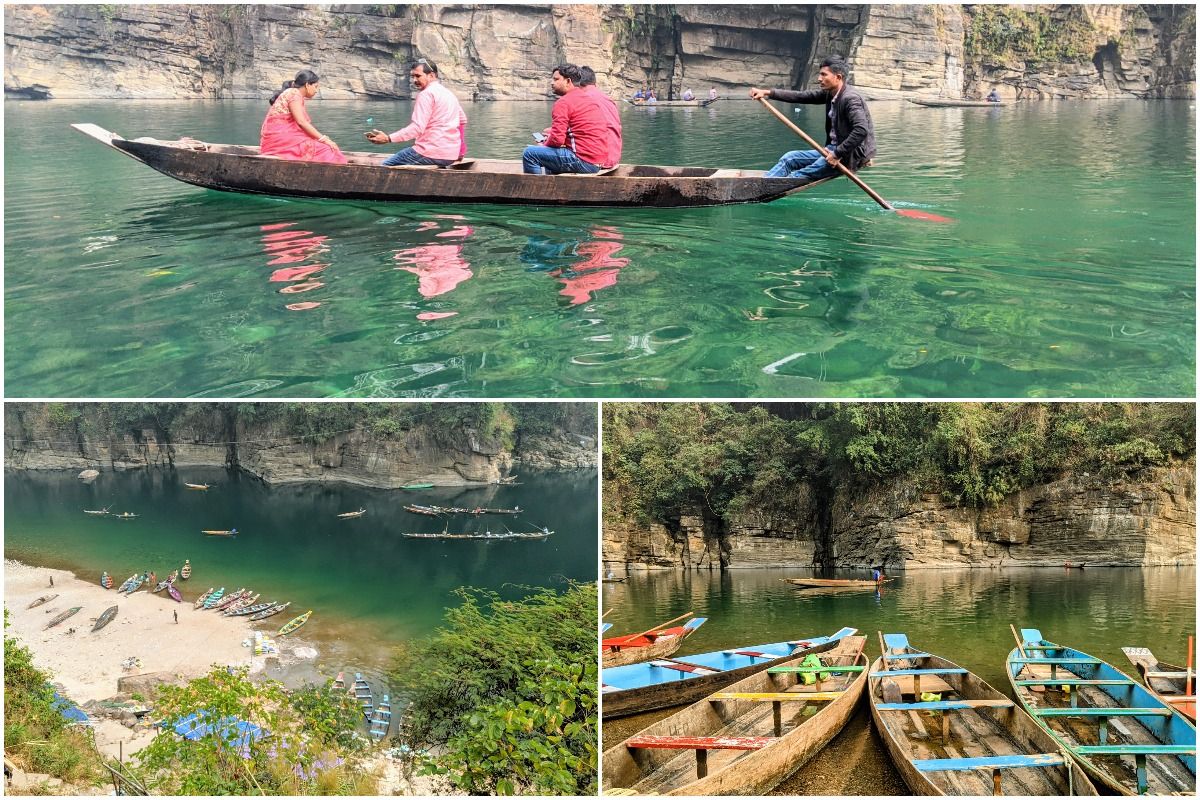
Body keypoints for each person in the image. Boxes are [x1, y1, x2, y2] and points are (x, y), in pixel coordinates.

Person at [749, 56, 875, 184]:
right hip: (832, 149)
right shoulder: (830, 93)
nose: (819, 79)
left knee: (799, 175)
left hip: (847, 155)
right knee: (789, 159)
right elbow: (802, 96)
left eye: (824, 75)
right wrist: (768, 93)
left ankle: (759, 188)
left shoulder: (850, 99)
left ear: (838, 77)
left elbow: (861, 130)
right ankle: (762, 185)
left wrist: (837, 153)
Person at [522, 64, 622, 175]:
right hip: (598, 161)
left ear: (568, 81)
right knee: (549, 157)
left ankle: (537, 191)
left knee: (529, 153)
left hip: (584, 161)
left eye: (556, 79)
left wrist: (544, 144)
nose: (552, 83)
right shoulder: (588, 99)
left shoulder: (564, 102)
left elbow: (557, 140)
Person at [366, 59, 467, 167]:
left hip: (429, 152)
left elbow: (417, 128)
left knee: (385, 166)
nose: (414, 80)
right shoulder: (449, 94)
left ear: (431, 75)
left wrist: (388, 138)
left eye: (418, 76)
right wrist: (460, 151)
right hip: (450, 156)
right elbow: (462, 120)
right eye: (412, 76)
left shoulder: (426, 94)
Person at [260, 69, 348, 164]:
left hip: (278, 139)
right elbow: (301, 122)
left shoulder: (293, 93)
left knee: (322, 145)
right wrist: (325, 140)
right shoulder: (294, 94)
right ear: (307, 85)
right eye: (315, 86)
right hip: (280, 139)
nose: (316, 91)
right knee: (327, 149)